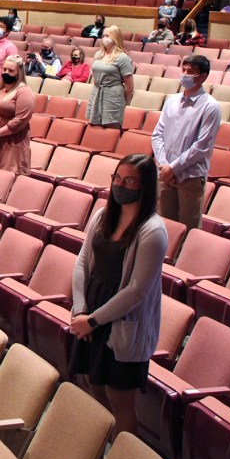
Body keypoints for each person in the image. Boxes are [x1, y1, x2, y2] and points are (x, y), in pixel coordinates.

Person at [69, 153, 167, 437]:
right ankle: (101, 445)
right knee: (94, 385)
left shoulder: (153, 231)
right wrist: (81, 309)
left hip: (121, 320)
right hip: (91, 310)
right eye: (117, 178)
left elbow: (136, 291)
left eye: (130, 181)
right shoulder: (102, 215)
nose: (120, 185)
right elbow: (82, 261)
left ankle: (123, 455)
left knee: (119, 398)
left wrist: (93, 321)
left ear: (145, 186)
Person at [151, 55, 221, 230]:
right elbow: (157, 135)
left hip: (190, 176)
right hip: (165, 174)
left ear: (203, 76)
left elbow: (202, 146)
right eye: (183, 70)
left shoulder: (210, 106)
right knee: (163, 226)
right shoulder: (171, 101)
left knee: (188, 228)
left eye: (190, 72)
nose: (184, 74)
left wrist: (173, 168)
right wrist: (165, 165)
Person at [87, 26, 134, 129]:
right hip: (96, 93)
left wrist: (124, 103)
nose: (104, 38)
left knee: (110, 129)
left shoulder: (123, 58)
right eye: (103, 36)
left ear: (116, 37)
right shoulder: (98, 54)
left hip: (113, 96)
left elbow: (129, 86)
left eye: (107, 36)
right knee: (94, 127)